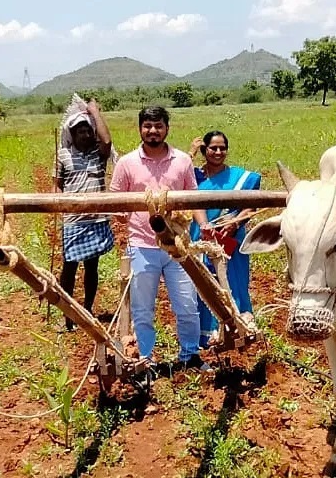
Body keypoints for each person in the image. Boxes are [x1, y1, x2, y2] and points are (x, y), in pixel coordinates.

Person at [109, 105, 212, 373]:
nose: (152, 131)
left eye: (158, 126)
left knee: (187, 305)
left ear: (167, 128)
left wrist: (204, 225)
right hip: (142, 245)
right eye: (147, 126)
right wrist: (119, 217)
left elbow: (194, 197)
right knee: (143, 310)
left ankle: (189, 354)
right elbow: (115, 201)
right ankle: (146, 358)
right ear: (140, 128)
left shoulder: (182, 161)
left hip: (178, 245)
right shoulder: (127, 163)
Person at [188, 131, 262, 348]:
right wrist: (190, 152)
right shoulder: (195, 178)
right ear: (205, 151)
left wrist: (235, 223)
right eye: (213, 148)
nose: (218, 152)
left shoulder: (242, 178)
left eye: (222, 148)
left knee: (234, 281)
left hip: (232, 239)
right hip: (203, 239)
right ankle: (209, 333)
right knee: (205, 282)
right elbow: (177, 178)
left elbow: (251, 205)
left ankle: (240, 327)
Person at [54, 95, 115, 331]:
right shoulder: (63, 155)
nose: (86, 135)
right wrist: (56, 204)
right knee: (69, 267)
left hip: (96, 218)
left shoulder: (98, 154)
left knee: (91, 266)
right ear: (72, 134)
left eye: (89, 130)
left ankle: (88, 309)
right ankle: (67, 314)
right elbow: (57, 184)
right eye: (81, 131)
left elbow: (107, 141)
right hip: (72, 220)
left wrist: (95, 112)